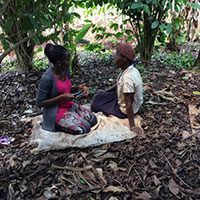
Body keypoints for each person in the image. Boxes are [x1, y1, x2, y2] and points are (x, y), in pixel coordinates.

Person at [36, 44, 97, 134]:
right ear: (59, 63)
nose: (69, 62)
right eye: (67, 60)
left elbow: (64, 89)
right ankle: (57, 124)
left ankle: (71, 117)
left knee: (92, 120)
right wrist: (61, 97)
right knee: (84, 128)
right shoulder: (47, 78)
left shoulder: (65, 71)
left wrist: (77, 88)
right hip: (56, 111)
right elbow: (40, 103)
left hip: (69, 105)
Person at [91, 43, 143, 134]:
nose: (114, 57)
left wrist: (132, 126)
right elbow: (118, 85)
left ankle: (120, 113)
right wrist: (105, 92)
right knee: (99, 95)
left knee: (95, 104)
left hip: (124, 110)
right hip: (123, 98)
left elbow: (128, 103)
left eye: (117, 54)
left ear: (124, 58)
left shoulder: (128, 77)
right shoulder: (130, 70)